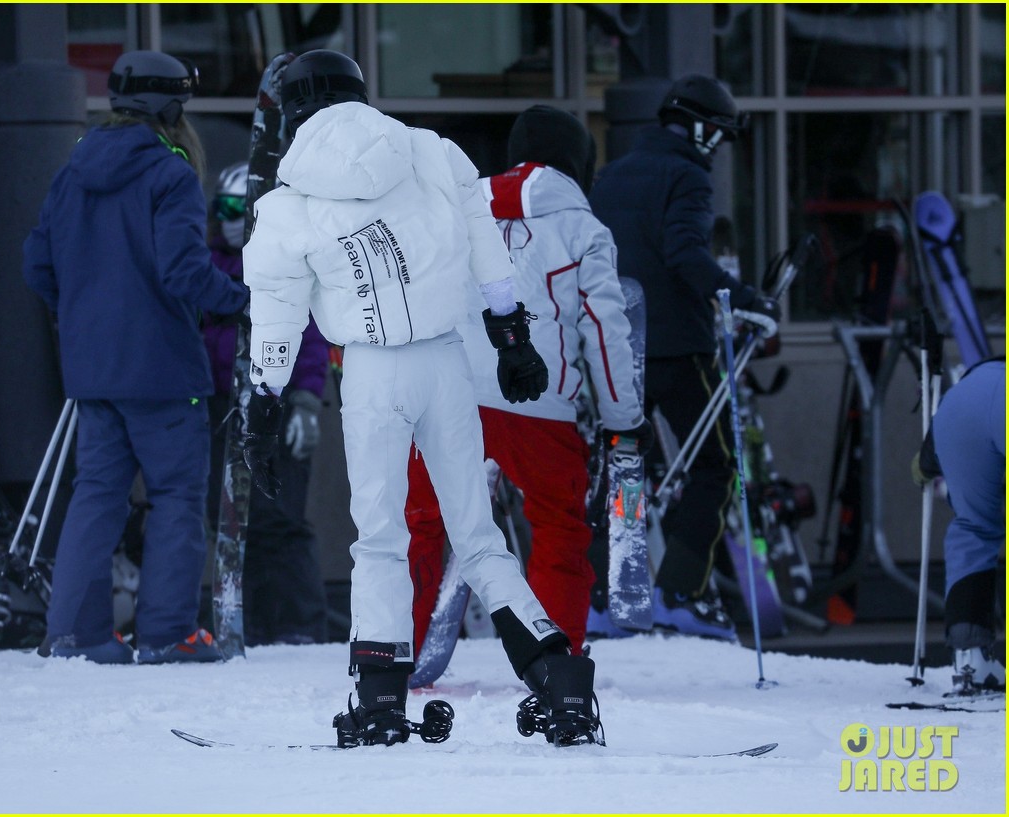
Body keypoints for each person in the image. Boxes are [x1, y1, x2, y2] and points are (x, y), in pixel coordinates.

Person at [242, 49, 601, 748]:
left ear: (290, 109)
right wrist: (511, 333)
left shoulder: (286, 202)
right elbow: (482, 242)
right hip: (447, 360)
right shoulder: (431, 152)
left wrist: (266, 394)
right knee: (478, 533)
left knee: (379, 536)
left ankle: (379, 695)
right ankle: (557, 676)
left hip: (371, 371)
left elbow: (278, 308)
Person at [22, 50, 247, 665]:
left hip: (92, 370)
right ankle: (168, 634)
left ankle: (76, 634)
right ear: (169, 106)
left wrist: (86, 319)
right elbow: (183, 271)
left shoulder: (72, 171)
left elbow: (36, 266)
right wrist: (240, 300)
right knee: (176, 496)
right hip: (164, 368)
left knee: (96, 494)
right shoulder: (169, 172)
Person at [405, 105, 649, 655]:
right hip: (538, 407)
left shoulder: (458, 207)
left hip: (448, 399)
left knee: (419, 525)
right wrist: (623, 424)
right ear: (580, 162)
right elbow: (608, 336)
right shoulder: (584, 229)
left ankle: (395, 650)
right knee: (559, 530)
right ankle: (554, 658)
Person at [588, 75, 780, 640]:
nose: (718, 147)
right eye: (717, 134)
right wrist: (745, 302)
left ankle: (606, 598)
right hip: (680, 347)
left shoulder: (610, 175)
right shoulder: (688, 177)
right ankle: (681, 592)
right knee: (717, 467)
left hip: (618, 348)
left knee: (624, 468)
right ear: (698, 129)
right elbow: (685, 252)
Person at [204, 161, 331, 646]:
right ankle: (249, 623)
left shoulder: (292, 261)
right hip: (219, 406)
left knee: (281, 520)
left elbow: (313, 335)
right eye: (225, 207)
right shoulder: (205, 264)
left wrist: (304, 403)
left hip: (272, 406)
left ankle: (297, 625)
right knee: (231, 523)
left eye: (244, 208)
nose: (233, 218)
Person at [913, 357, 1005, 694]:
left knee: (974, 529)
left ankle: (971, 661)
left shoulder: (967, 384)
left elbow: (926, 462)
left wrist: (925, 465)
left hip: (960, 410)